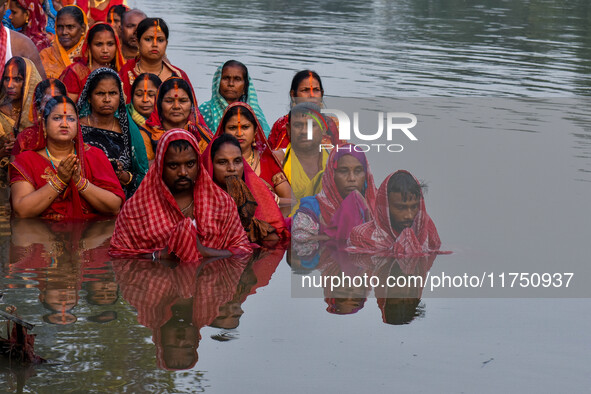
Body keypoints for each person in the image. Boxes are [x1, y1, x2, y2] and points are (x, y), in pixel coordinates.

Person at [110, 128, 252, 263]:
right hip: (159, 286)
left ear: (198, 165)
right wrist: (160, 255)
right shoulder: (136, 209)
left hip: (211, 285)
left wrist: (204, 252)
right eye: (173, 165)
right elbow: (119, 256)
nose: (183, 172)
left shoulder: (221, 202)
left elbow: (243, 251)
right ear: (160, 166)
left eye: (190, 164)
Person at [10, 95, 125, 220]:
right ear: (44, 124)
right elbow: (22, 211)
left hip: (91, 236)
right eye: (57, 118)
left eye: (70, 119)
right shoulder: (26, 160)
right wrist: (59, 181)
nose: (64, 124)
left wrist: (79, 182)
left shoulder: (94, 155)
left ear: (77, 124)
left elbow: (114, 207)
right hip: (41, 236)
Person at [77, 67, 149, 197]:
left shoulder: (129, 132)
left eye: (113, 93)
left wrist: (124, 177)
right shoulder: (76, 128)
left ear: (120, 97)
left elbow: (143, 176)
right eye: (100, 93)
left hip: (120, 199)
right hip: (82, 193)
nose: (107, 99)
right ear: (89, 97)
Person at [205, 134, 289, 243]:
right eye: (222, 162)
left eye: (237, 161)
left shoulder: (253, 193)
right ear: (210, 164)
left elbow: (274, 235)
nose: (232, 168)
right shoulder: (201, 201)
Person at [211, 102, 291, 209]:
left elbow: (291, 200)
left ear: (255, 132)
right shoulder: (214, 161)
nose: (239, 133)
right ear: (223, 132)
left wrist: (272, 199)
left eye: (245, 127)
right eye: (232, 128)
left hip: (267, 223)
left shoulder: (267, 160)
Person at [292, 145, 377, 245]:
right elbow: (299, 239)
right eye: (343, 171)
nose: (352, 178)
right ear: (332, 174)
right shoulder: (313, 208)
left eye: (358, 171)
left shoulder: (377, 206)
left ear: (366, 174)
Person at [347, 170, 442, 256]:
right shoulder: (362, 236)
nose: (409, 215)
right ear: (385, 207)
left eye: (414, 207)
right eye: (401, 208)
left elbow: (434, 252)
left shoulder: (426, 228)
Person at [119, 18, 195, 102]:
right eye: (148, 39)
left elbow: (191, 110)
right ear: (137, 42)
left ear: (166, 44)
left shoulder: (179, 76)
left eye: (160, 40)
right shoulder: (126, 74)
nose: (155, 44)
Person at [268, 70, 341, 150]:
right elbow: (274, 158)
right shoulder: (283, 125)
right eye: (305, 90)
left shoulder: (333, 124)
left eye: (316, 90)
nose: (312, 95)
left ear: (322, 94)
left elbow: (344, 155)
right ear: (293, 95)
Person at [275, 102, 330, 208]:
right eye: (298, 125)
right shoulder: (277, 159)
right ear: (288, 129)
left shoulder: (336, 161)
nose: (304, 131)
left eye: (311, 125)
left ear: (323, 129)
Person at [141, 77, 211, 159]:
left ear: (192, 104)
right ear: (159, 104)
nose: (176, 106)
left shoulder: (200, 134)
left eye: (183, 101)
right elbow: (144, 167)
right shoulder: (147, 133)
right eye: (169, 101)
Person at [199, 60, 271, 137]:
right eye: (226, 78)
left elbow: (263, 142)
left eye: (237, 79)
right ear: (218, 83)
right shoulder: (204, 111)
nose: (231, 84)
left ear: (245, 87)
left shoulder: (253, 112)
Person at [59, 22, 125, 101]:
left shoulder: (121, 72)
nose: (105, 50)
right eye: (99, 44)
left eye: (110, 44)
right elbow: (66, 106)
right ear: (89, 46)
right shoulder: (76, 72)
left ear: (117, 46)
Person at [13, 78, 68, 156]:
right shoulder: (26, 138)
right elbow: (15, 166)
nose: (52, 105)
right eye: (47, 101)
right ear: (38, 107)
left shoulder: (72, 134)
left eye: (57, 100)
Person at [0, 0, 46, 79]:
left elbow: (39, 87)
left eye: (14, 12)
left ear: (4, 8)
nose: (10, 16)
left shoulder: (23, 44)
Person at [0, 57, 42, 142]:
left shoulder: (40, 114)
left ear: (29, 82)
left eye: (17, 79)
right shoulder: (1, 114)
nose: (10, 85)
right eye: (7, 79)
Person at [39, 5, 87, 79]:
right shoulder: (46, 55)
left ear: (83, 29)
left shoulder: (89, 56)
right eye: (60, 27)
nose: (64, 32)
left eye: (70, 27)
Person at [126, 72, 161, 148]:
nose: (145, 100)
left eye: (151, 95)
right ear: (132, 96)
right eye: (139, 95)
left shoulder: (168, 119)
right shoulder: (123, 118)